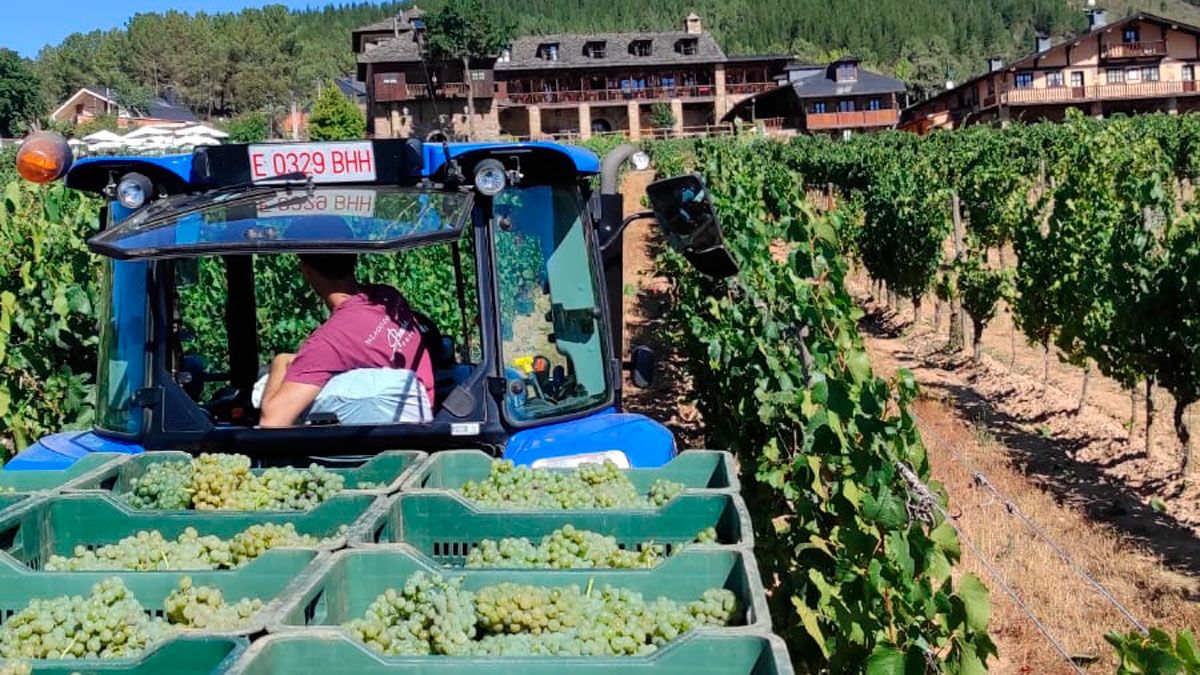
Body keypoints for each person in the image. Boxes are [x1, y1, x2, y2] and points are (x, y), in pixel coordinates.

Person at [258, 253, 435, 427]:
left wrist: (279, 362)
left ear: (306, 270)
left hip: (380, 439)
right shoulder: (389, 297)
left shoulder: (328, 343)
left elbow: (272, 421)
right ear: (354, 258)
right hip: (424, 415)